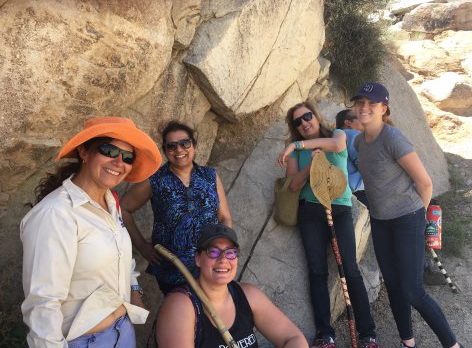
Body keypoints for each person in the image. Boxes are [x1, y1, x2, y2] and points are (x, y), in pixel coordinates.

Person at [21, 117, 162, 347]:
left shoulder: (110, 202)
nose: (119, 161)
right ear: (84, 152)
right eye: (109, 150)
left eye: (128, 157)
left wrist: (134, 287)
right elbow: (42, 304)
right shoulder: (57, 213)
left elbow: (120, 255)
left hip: (122, 331)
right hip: (86, 341)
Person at [351, 82, 464, 348]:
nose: (364, 107)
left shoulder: (393, 138)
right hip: (380, 222)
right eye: (360, 102)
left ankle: (453, 345)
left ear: (384, 108)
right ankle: (407, 341)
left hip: (406, 219)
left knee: (413, 291)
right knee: (392, 284)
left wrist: (417, 219)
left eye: (372, 103)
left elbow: (424, 183)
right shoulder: (359, 141)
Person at [277, 102, 378, 348]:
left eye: (307, 116)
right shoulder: (295, 156)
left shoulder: (337, 134)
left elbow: (338, 147)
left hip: (339, 209)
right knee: (317, 271)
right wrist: (313, 164)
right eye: (298, 122)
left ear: (316, 116)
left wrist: (296, 144)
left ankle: (368, 334)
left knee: (350, 270)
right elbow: (293, 185)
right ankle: (325, 334)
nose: (304, 123)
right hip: (310, 212)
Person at [121, 120, 232, 295]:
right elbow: (123, 208)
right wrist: (142, 245)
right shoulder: (155, 181)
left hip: (210, 263)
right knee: (182, 315)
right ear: (165, 151)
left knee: (212, 311)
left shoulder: (210, 176)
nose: (179, 150)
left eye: (184, 143)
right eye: (171, 146)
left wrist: (223, 251)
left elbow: (224, 218)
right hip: (172, 269)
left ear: (194, 146)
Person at [155, 223, 308, 348]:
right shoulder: (180, 306)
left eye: (230, 252)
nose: (223, 259)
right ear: (198, 258)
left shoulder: (248, 295)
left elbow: (294, 338)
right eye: (213, 252)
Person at [335, 109, 369, 208]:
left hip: (348, 190)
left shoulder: (337, 137)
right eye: (358, 117)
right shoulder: (352, 134)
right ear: (348, 123)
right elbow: (363, 161)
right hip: (360, 190)